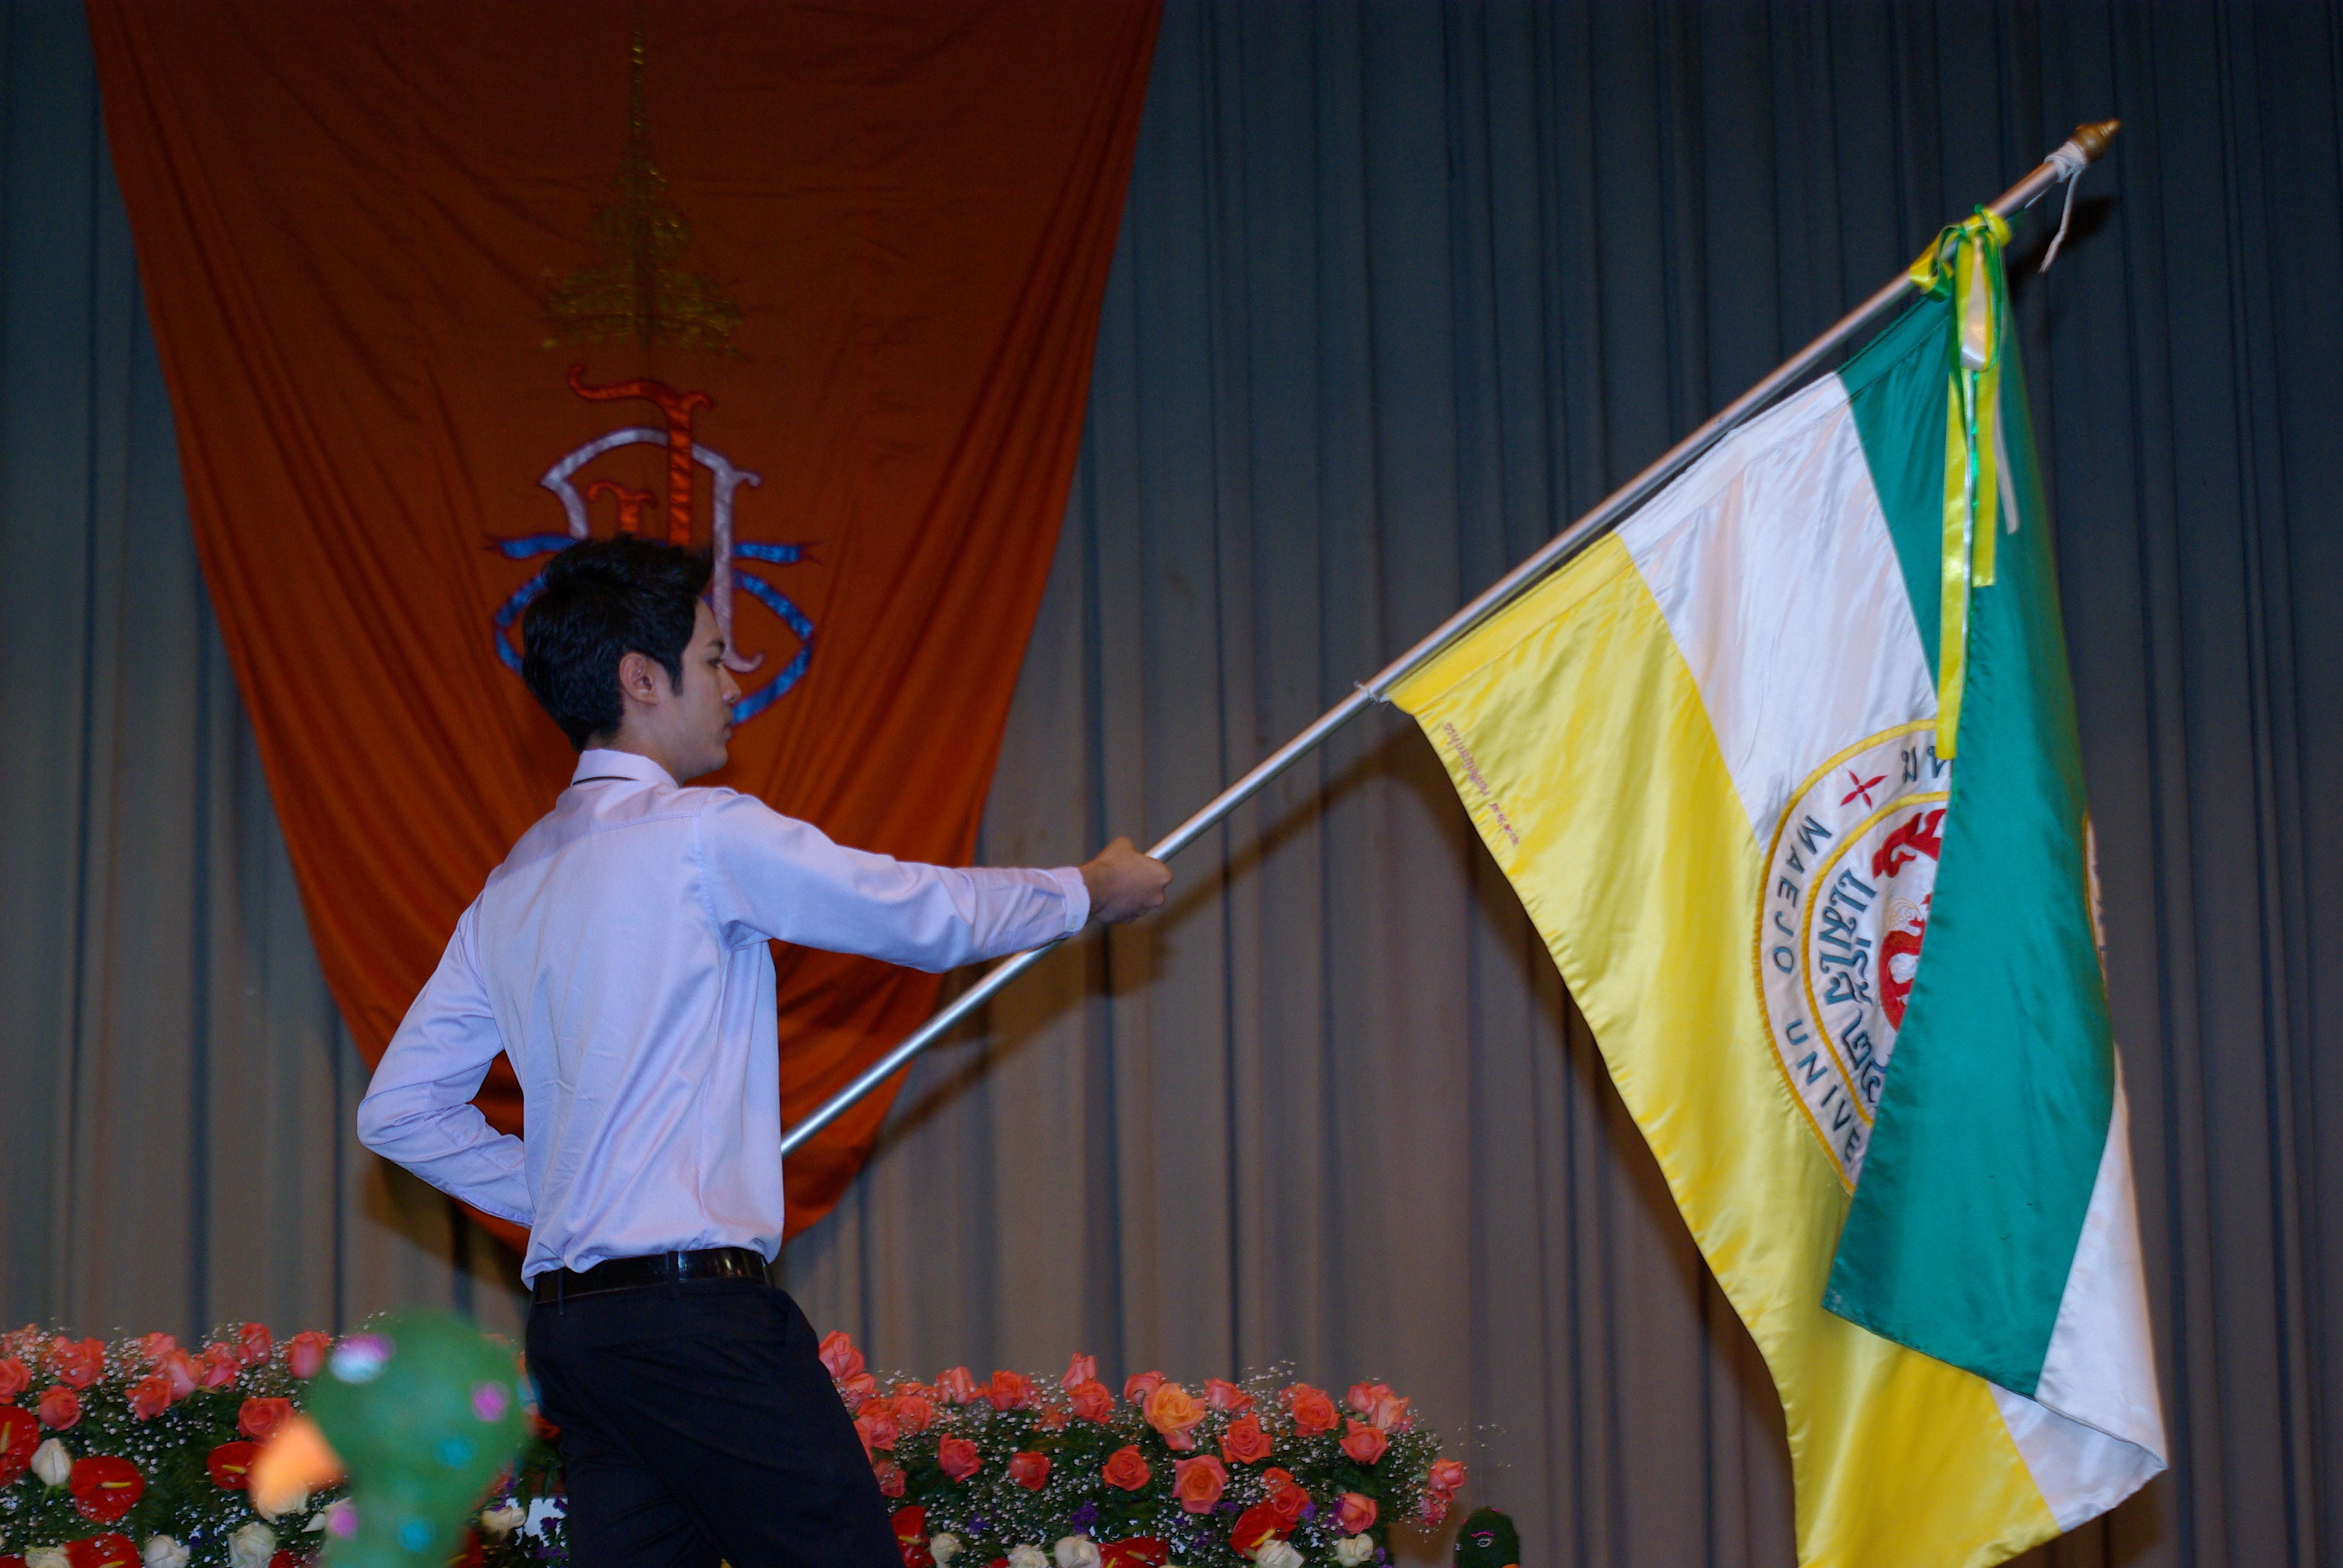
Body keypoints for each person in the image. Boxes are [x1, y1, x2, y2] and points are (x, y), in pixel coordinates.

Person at [355, 535, 1170, 1568]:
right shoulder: (701, 834)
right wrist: (1090, 891)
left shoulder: (510, 888)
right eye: (713, 657)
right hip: (696, 1328)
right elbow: (917, 912)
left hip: (579, 1336)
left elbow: (398, 1112)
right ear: (640, 678)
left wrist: (575, 1191)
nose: (735, 682)